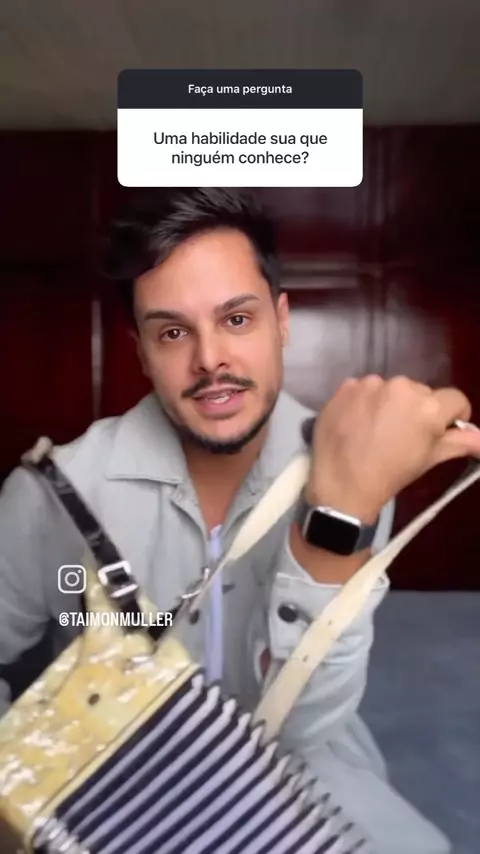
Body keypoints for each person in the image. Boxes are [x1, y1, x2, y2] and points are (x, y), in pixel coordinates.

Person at [1, 188, 478, 854]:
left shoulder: (358, 461)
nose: (210, 360)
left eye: (236, 318)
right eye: (173, 332)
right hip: (111, 781)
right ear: (140, 350)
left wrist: (339, 514)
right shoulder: (52, 493)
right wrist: (23, 788)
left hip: (304, 773)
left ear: (281, 321)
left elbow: (305, 724)